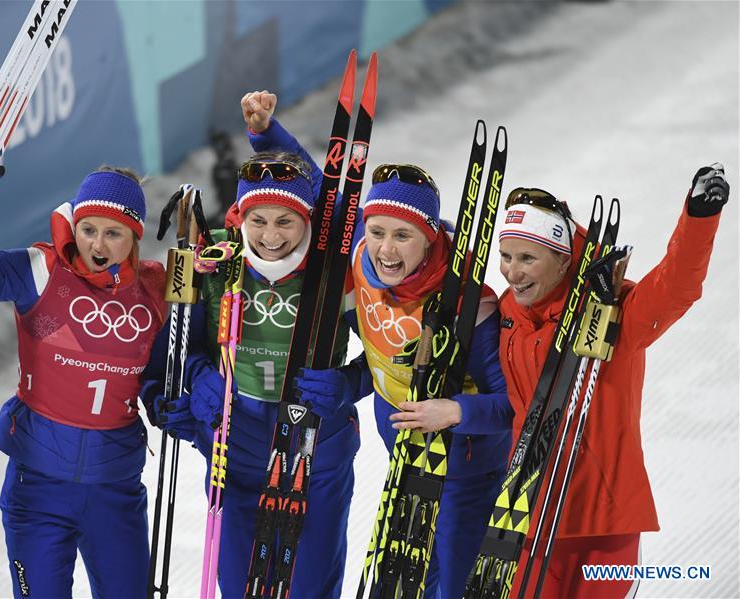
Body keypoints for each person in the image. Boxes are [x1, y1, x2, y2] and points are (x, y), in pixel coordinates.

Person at [241, 91, 513, 598]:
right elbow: (328, 198)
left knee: (449, 583)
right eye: (378, 231)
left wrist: (454, 412)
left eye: (404, 236)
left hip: (464, 468)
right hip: (403, 453)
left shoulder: (467, 302)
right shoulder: (359, 262)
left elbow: (512, 408)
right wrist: (265, 135)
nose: (387, 249)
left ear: (430, 239)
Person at [143, 93, 372, 598]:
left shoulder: (336, 273)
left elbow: (384, 361)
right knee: (238, 583)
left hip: (315, 447)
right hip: (236, 446)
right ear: (240, 218)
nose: (271, 236)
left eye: (286, 221)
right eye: (258, 220)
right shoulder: (216, 264)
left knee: (310, 585)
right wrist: (192, 385)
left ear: (307, 221)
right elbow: (180, 345)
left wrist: (346, 385)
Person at [0, 137, 165, 598]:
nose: (97, 244)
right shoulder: (39, 271)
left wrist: (174, 403)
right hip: (38, 485)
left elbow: (167, 373)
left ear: (135, 237)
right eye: (88, 229)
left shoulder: (157, 291)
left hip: (114, 487)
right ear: (73, 226)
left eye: (113, 233)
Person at [497, 165, 729, 598]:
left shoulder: (608, 311)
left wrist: (699, 218)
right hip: (526, 512)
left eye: (528, 258)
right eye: (506, 257)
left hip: (604, 520)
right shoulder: (506, 314)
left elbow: (674, 289)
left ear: (563, 258)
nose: (513, 272)